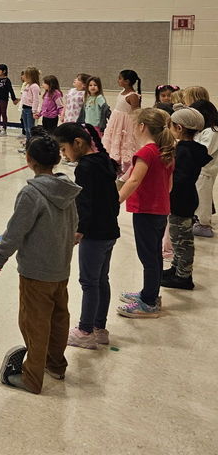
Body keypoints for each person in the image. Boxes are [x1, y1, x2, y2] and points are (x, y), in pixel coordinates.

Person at [0, 129, 79, 394]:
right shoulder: (67, 190)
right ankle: (55, 365)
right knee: (59, 318)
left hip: (36, 273)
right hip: (61, 269)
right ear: (57, 159)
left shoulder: (31, 194)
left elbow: (15, 232)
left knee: (34, 324)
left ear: (29, 159)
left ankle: (31, 377)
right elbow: (75, 224)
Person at [54, 123, 120, 350]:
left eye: (64, 149)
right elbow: (111, 198)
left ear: (78, 143)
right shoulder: (103, 160)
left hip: (94, 234)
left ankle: (85, 331)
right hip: (109, 230)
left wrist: (79, 229)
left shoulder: (85, 167)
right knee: (102, 279)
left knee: (89, 282)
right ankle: (99, 328)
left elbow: (86, 202)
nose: (64, 154)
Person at [114, 108, 174, 318]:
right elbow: (169, 186)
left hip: (147, 211)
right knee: (154, 255)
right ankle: (151, 293)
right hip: (160, 210)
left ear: (142, 127)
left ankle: (148, 302)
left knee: (147, 256)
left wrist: (116, 201)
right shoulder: (164, 151)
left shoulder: (146, 152)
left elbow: (134, 180)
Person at [162, 106, 210, 290]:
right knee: (178, 237)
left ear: (179, 128)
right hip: (187, 197)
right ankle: (177, 267)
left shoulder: (183, 151)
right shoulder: (196, 149)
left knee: (182, 239)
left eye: (171, 126)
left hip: (180, 199)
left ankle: (183, 276)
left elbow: (178, 178)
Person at [102, 69, 142, 173]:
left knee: (124, 142)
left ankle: (126, 168)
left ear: (127, 81)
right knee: (115, 141)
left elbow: (136, 112)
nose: (118, 80)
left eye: (120, 78)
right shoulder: (122, 92)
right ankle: (115, 164)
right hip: (116, 122)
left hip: (126, 124)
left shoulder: (133, 96)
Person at [190, 99, 218, 237]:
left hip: (205, 171)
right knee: (197, 196)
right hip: (197, 170)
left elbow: (204, 151)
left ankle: (204, 224)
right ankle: (197, 220)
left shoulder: (213, 131)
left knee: (203, 197)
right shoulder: (202, 131)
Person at [17, 67, 43, 149]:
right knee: (26, 128)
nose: (23, 77)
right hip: (24, 109)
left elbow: (36, 100)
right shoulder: (27, 85)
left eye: (25, 75)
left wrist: (34, 111)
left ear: (31, 76)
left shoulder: (35, 86)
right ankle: (28, 144)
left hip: (30, 110)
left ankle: (32, 145)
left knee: (30, 128)